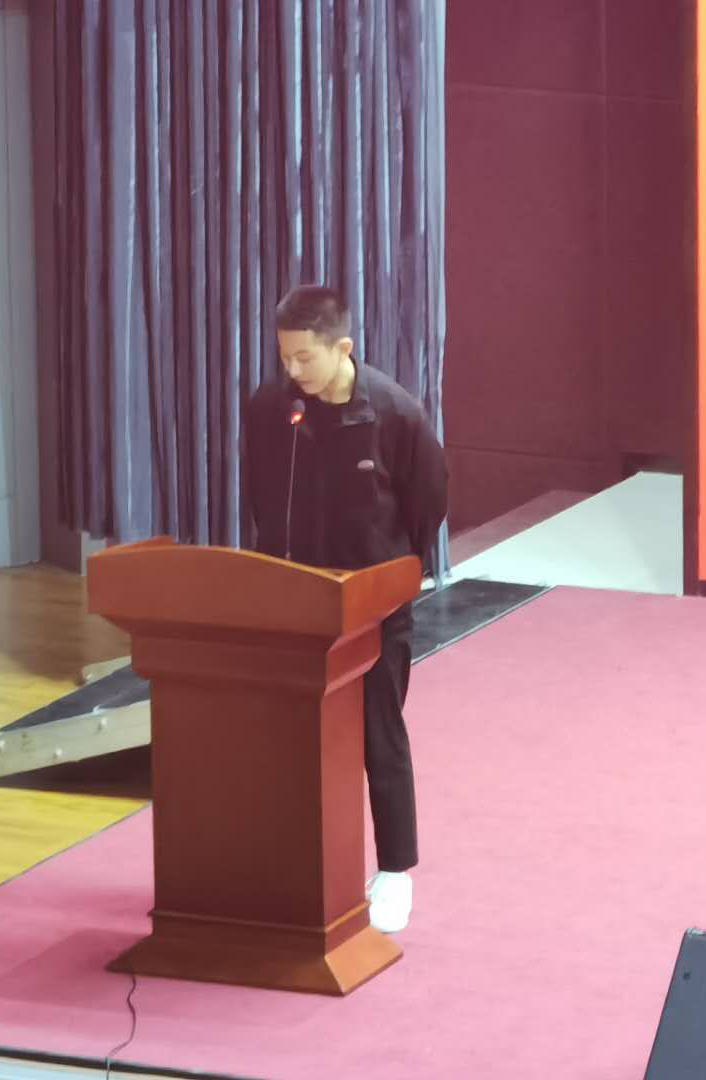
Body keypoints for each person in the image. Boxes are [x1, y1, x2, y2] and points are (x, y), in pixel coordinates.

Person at [242, 284, 448, 933]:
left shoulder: (396, 414)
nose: (292, 370)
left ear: (344, 348)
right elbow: (260, 495)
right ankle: (294, 861)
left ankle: (394, 874)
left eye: (305, 357)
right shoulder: (271, 408)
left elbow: (428, 504)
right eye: (285, 356)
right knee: (290, 736)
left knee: (378, 735)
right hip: (297, 601)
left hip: (373, 606)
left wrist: (390, 578)